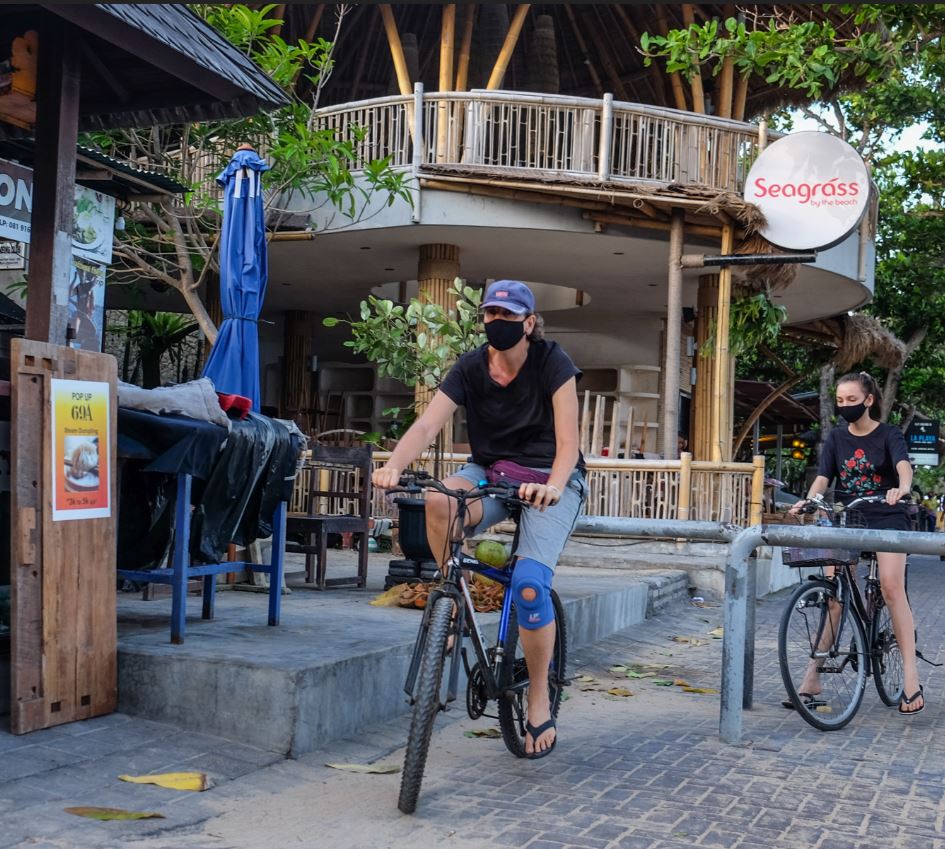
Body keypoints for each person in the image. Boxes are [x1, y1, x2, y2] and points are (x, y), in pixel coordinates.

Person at [373, 280, 586, 757]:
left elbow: (569, 442)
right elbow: (428, 423)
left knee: (530, 586)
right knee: (438, 502)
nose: (497, 324)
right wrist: (393, 466)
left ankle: (536, 697)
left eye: (508, 317)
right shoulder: (471, 366)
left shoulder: (553, 362)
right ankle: (451, 594)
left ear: (529, 323)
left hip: (549, 479)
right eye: (491, 315)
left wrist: (551, 485)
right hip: (491, 472)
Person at [789, 371, 924, 714]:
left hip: (888, 515)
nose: (845, 406)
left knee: (892, 588)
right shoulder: (836, 437)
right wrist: (809, 500)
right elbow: (823, 477)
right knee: (834, 595)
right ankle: (812, 678)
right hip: (847, 515)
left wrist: (902, 488)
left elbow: (903, 466)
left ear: (868, 400)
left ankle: (911, 677)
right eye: (840, 400)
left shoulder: (889, 433)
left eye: (852, 400)